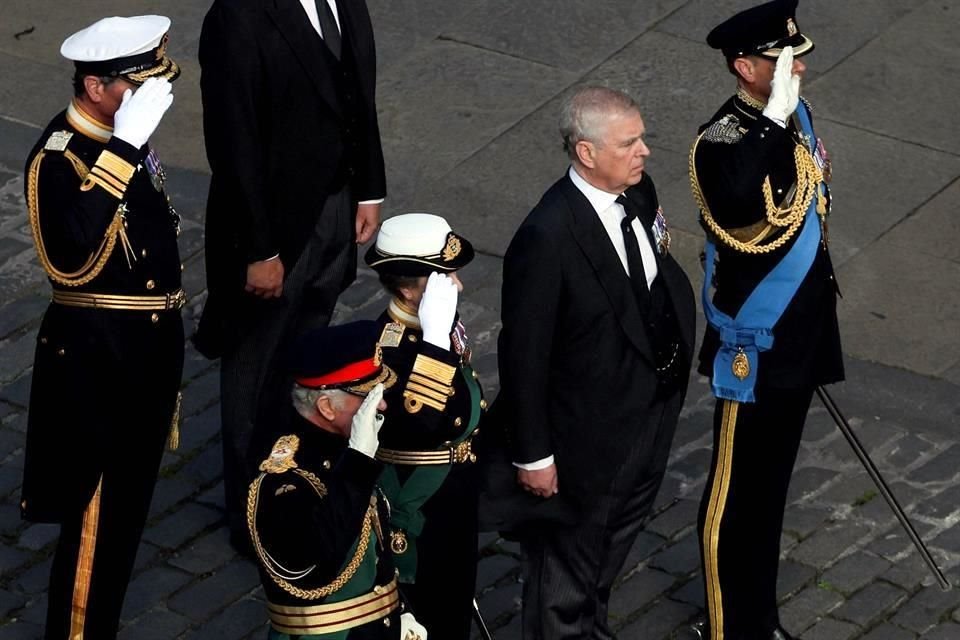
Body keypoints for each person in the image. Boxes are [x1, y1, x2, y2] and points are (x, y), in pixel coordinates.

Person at [498, 85, 696, 639]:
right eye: (629, 142)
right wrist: (534, 454)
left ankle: (592, 629)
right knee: (567, 560)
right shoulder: (547, 236)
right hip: (584, 430)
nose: (645, 152)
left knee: (615, 538)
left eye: (642, 139)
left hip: (646, 408)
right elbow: (524, 356)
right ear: (587, 153)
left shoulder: (638, 191)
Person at [194, 0, 387, 552]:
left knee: (307, 354)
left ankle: (297, 481)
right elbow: (233, 141)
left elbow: (359, 93)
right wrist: (260, 249)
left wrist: (368, 186)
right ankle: (249, 512)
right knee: (256, 368)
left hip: (335, 205)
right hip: (274, 227)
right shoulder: (240, 16)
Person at [19, 15, 183, 639]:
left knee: (124, 519)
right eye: (132, 88)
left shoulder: (125, 135)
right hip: (98, 364)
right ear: (94, 86)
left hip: (144, 353)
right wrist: (120, 153)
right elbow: (71, 257)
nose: (145, 102)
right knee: (94, 521)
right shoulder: (58, 156)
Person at [688, 2, 844, 639]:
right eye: (782, 60)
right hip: (753, 340)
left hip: (799, 336)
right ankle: (726, 627)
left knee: (771, 489)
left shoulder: (793, 118)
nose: (797, 66)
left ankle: (760, 619)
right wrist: (775, 117)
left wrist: (783, 116)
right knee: (734, 495)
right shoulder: (722, 141)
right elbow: (736, 200)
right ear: (744, 66)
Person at [247, 321, 427, 639]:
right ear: (327, 407)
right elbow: (318, 559)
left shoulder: (344, 449)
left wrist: (400, 612)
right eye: (368, 398)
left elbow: (376, 555)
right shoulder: (283, 482)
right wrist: (358, 460)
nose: (381, 405)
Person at [364, 213, 486, 639]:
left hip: (455, 493)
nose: (457, 286)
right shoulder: (389, 346)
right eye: (444, 277)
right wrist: (434, 343)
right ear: (407, 289)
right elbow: (420, 424)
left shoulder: (437, 325)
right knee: (429, 618)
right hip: (419, 504)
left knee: (454, 605)